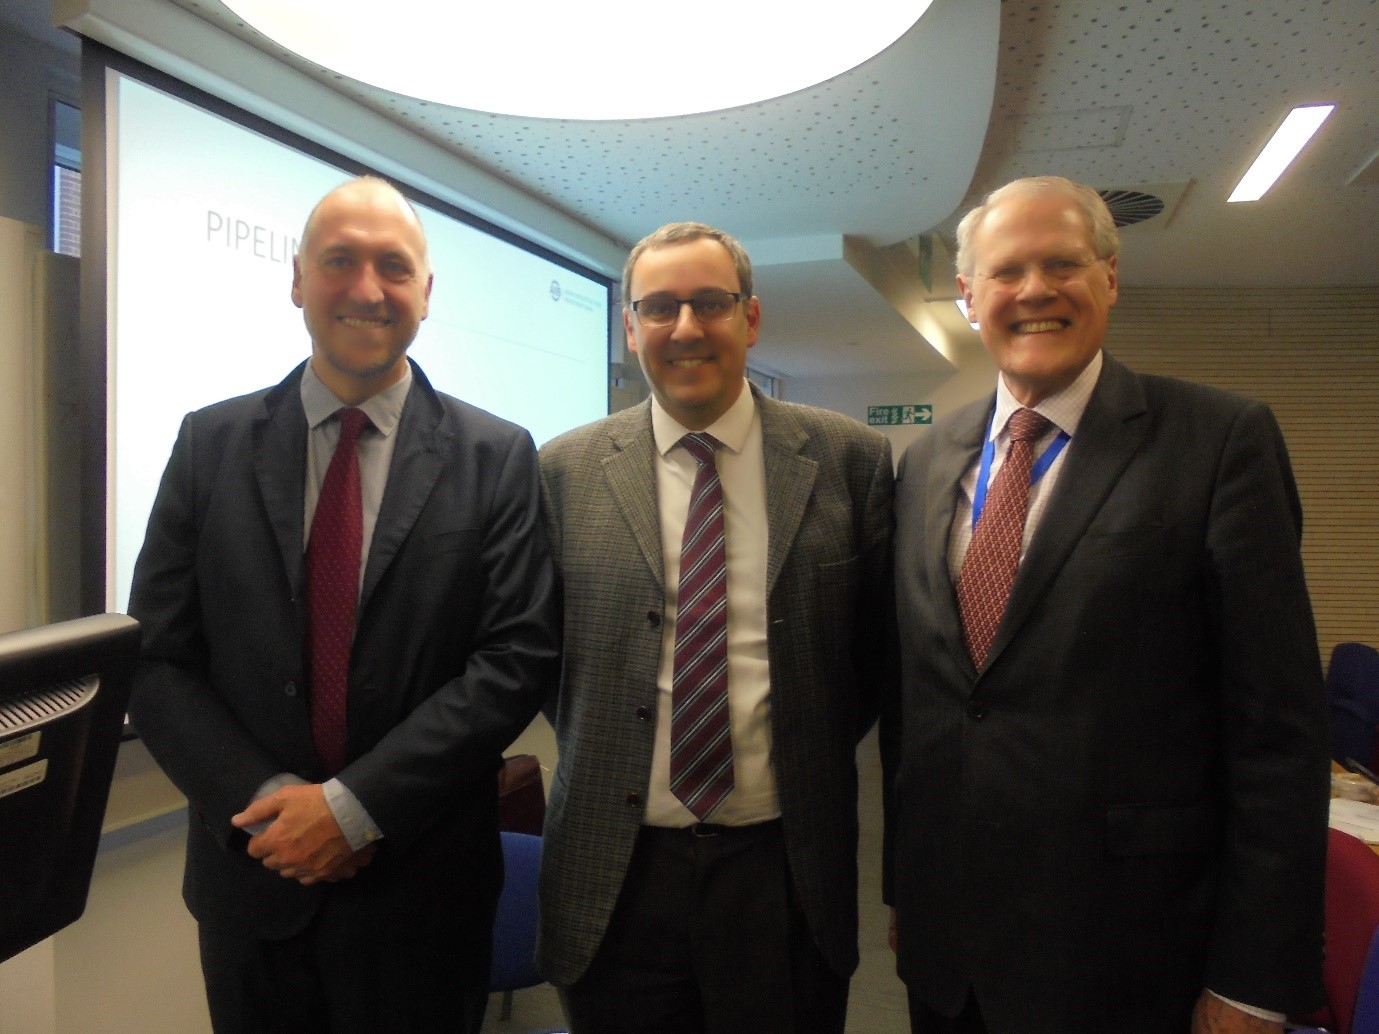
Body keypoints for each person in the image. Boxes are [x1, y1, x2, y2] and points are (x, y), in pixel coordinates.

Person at [881, 175, 1330, 1034]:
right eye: (1006, 272)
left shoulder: (1218, 440)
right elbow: (922, 705)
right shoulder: (926, 461)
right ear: (969, 297)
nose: (1036, 290)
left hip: (1132, 950)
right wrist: (908, 888)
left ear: (1110, 278)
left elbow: (1278, 730)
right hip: (949, 952)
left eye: (1063, 263)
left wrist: (1253, 978)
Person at [127, 176, 559, 1034]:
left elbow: (515, 660)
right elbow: (157, 655)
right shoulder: (208, 443)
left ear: (426, 295)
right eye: (339, 262)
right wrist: (271, 802)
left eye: (393, 267)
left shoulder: (497, 456)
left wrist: (354, 809)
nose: (366, 288)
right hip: (253, 877)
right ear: (296, 281)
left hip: (423, 895)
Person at [537, 221, 896, 1033]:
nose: (686, 328)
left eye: (710, 304)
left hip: (783, 870)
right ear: (629, 328)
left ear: (751, 318)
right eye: (658, 307)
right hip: (614, 872)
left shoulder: (849, 460)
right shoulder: (561, 472)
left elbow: (876, 665)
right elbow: (547, 662)